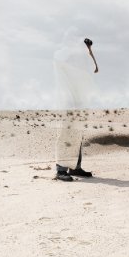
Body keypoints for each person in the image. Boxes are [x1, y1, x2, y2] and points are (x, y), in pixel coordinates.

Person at [54, 36, 99, 181]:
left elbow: (95, 68)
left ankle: (75, 167)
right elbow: (60, 59)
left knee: (77, 135)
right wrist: (81, 46)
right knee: (66, 135)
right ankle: (61, 170)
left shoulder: (81, 65)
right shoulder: (64, 59)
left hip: (79, 104)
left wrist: (89, 51)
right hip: (67, 104)